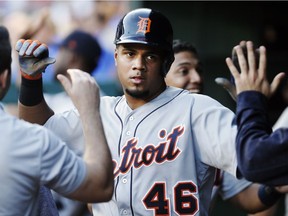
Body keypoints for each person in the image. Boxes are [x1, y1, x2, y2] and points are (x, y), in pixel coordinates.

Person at [15, 8, 286, 215]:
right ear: (117, 57)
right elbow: (38, 132)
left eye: (151, 56)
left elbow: (255, 161)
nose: (138, 65)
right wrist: (30, 83)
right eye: (130, 53)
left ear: (165, 63)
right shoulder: (97, 111)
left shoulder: (197, 110)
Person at [0, 25, 114, 215]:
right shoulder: (85, 102)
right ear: (4, 78)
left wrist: (29, 79)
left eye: (60, 50)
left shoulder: (84, 101)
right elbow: (100, 186)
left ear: (73, 57)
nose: (57, 54)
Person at [165, 39, 283, 215]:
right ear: (160, 78)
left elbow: (246, 197)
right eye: (184, 71)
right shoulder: (134, 127)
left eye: (199, 70)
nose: (197, 78)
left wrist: (273, 189)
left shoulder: (212, 130)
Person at [44, 29, 103, 114]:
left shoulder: (95, 104)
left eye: (60, 50)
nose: (55, 56)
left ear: (72, 58)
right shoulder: (56, 99)